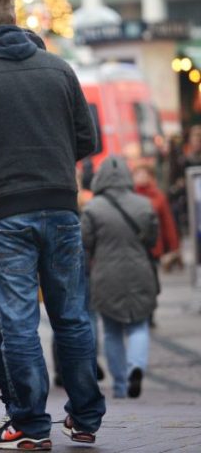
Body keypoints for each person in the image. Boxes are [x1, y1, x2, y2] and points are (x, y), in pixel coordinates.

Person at [0, 0, 106, 450]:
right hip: (60, 207)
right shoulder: (58, 68)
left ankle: (30, 424)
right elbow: (87, 140)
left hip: (3, 213)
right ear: (13, 16)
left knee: (17, 321)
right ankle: (86, 417)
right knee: (71, 316)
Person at [82, 156, 159, 399]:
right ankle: (136, 366)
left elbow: (85, 243)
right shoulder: (144, 204)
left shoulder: (93, 208)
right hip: (140, 271)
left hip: (105, 274)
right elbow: (152, 240)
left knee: (112, 330)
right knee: (139, 325)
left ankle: (120, 384)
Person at [132, 161, 181, 272]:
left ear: (150, 177)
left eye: (144, 174)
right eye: (138, 174)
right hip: (135, 247)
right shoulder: (129, 195)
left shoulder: (158, 196)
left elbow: (168, 223)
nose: (141, 177)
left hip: (155, 248)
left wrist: (174, 247)